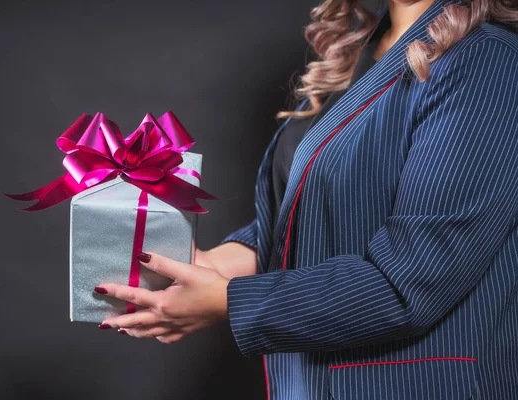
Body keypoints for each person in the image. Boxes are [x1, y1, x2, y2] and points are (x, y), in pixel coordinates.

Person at [93, 0, 518, 398]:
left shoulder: (489, 61)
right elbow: (310, 219)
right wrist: (202, 265)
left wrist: (225, 300)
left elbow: (410, 281)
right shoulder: (366, 53)